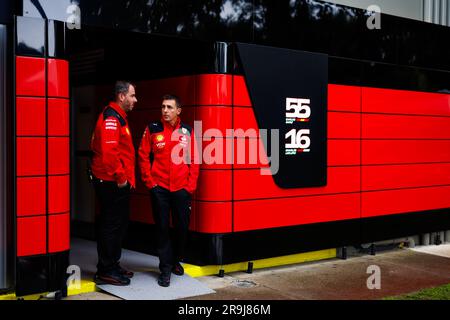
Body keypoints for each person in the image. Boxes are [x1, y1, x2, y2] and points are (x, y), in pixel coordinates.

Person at [138, 94, 199, 287]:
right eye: (163, 107)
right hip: (160, 189)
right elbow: (142, 156)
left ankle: (175, 261)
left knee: (182, 228)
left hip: (182, 188)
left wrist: (190, 186)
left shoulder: (187, 131)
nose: (165, 110)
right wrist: (151, 184)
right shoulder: (152, 129)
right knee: (162, 228)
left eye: (170, 107)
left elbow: (195, 159)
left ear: (178, 111)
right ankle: (165, 269)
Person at [90, 81, 137, 286]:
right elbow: (110, 154)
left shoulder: (118, 117)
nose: (135, 100)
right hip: (111, 181)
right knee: (111, 225)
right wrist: (121, 178)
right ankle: (105, 270)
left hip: (117, 181)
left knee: (119, 224)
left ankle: (113, 264)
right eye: (132, 95)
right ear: (121, 96)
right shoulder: (111, 117)